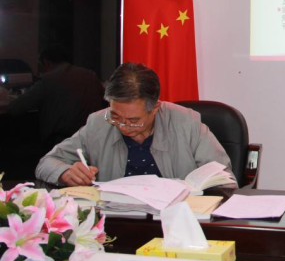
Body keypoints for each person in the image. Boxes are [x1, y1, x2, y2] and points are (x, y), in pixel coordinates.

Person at [36, 62, 233, 187]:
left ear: (155, 108)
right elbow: (46, 163)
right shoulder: (97, 123)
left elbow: (223, 176)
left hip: (175, 220)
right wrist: (65, 173)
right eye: (115, 115)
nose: (123, 126)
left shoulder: (186, 123)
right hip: (117, 221)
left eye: (133, 121)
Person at [8, 46, 105, 151]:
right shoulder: (90, 76)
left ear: (46, 63)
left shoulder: (47, 80)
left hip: (62, 143)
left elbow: (14, 108)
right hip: (94, 140)